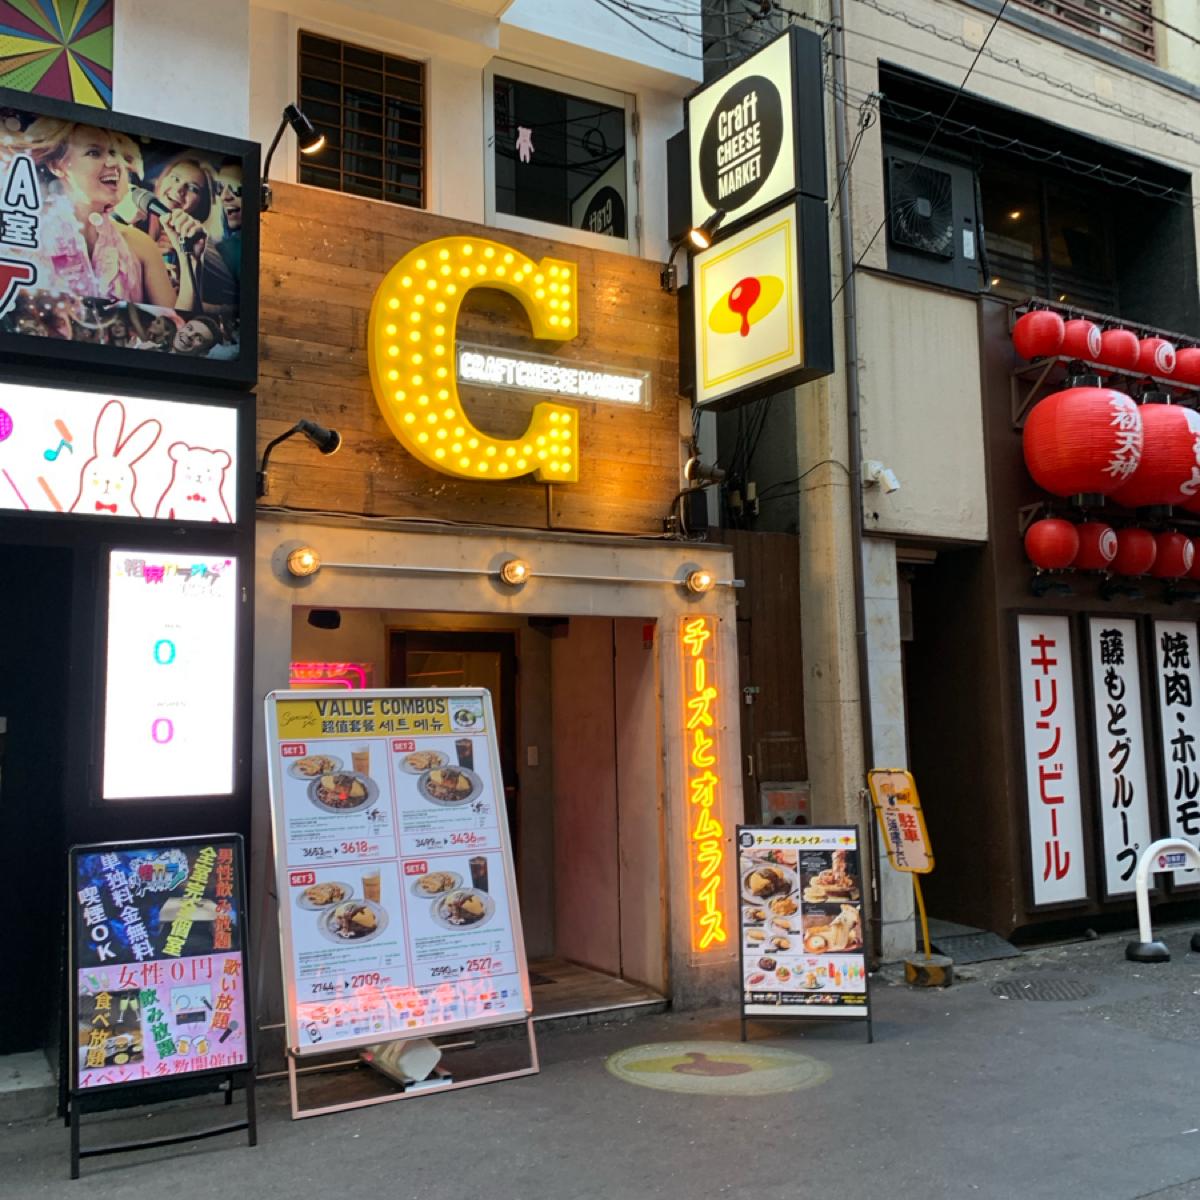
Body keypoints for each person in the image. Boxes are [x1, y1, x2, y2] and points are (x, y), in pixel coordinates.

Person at [24, 120, 193, 311]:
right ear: (57, 166)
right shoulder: (30, 236)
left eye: (112, 152)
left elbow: (178, 324)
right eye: (94, 153)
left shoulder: (141, 245)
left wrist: (190, 256)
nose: (113, 162)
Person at [137, 153, 235, 312]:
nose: (179, 189)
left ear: (201, 205)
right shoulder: (134, 218)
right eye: (175, 178)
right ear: (162, 180)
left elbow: (234, 308)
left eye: (193, 188)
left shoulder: (202, 246)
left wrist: (176, 297)